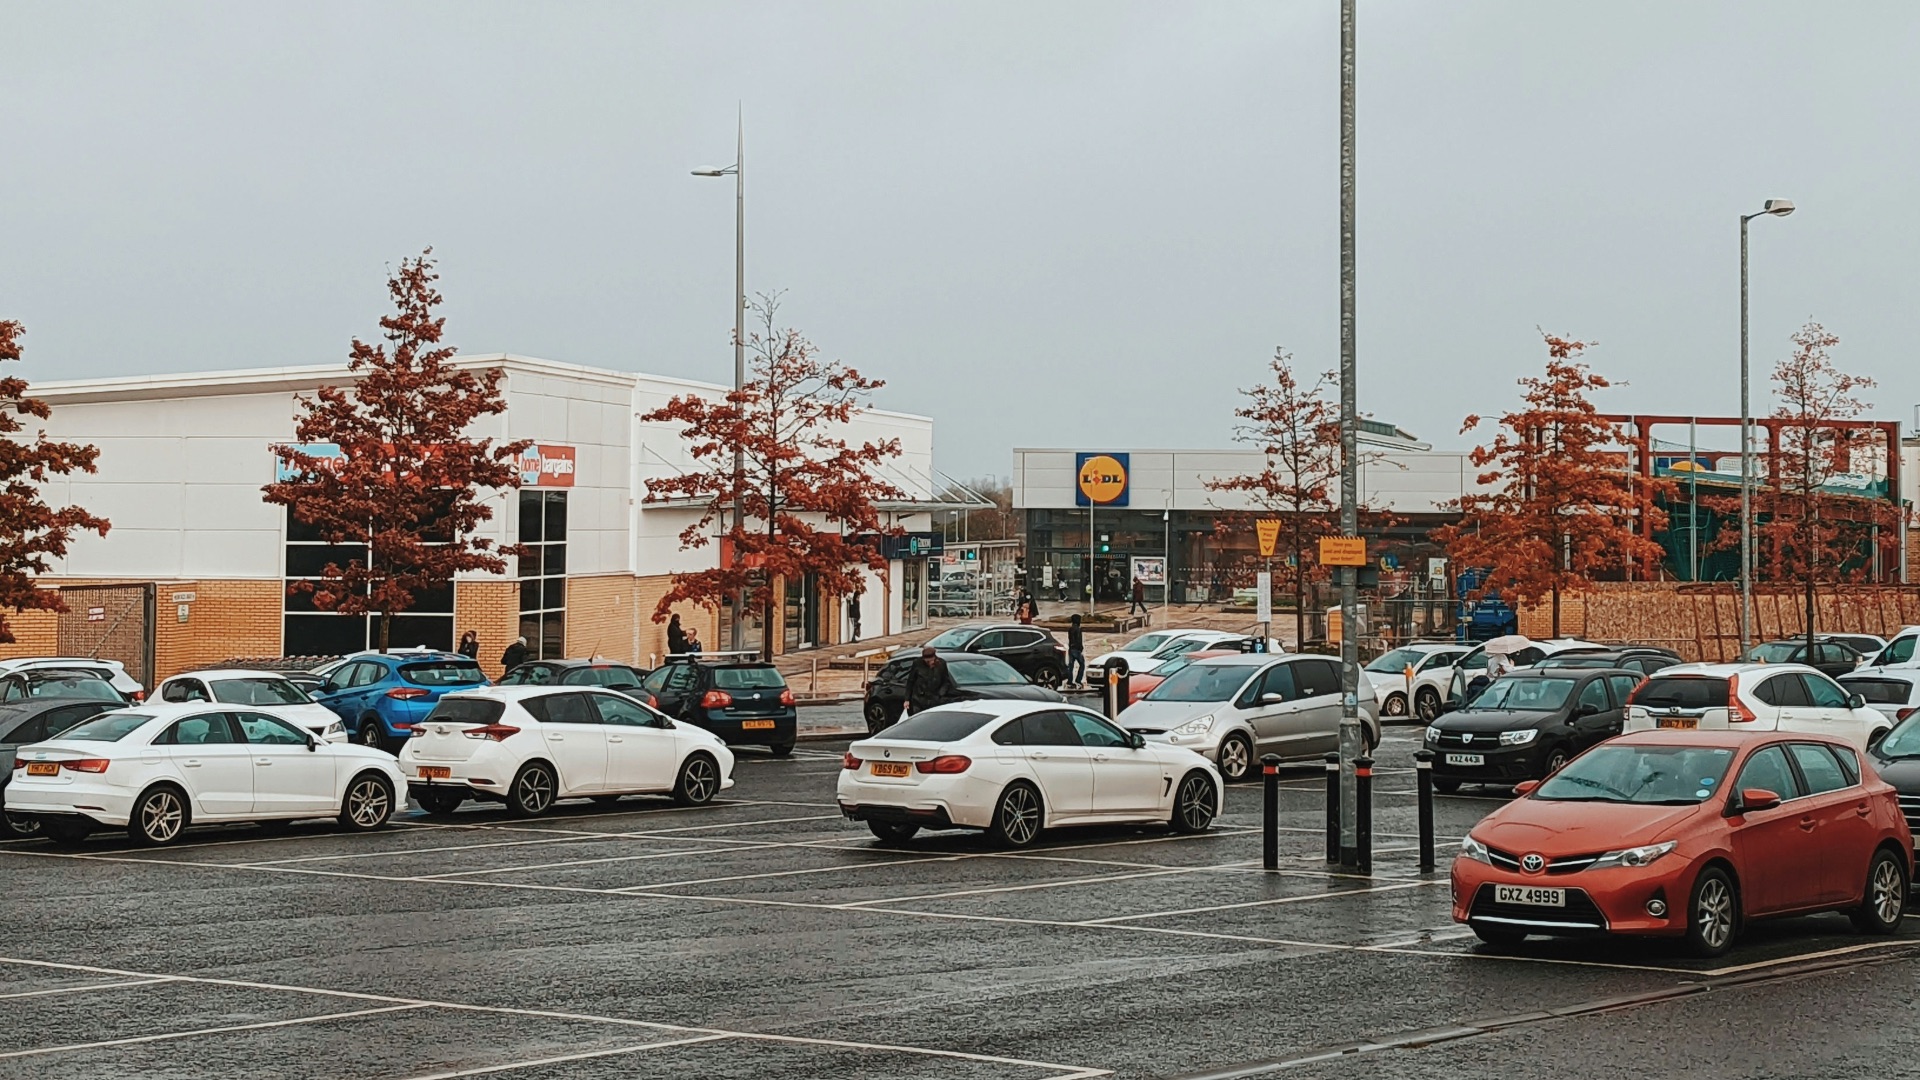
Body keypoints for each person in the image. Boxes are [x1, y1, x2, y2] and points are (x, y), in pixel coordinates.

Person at [906, 646, 960, 715]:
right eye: (927, 661)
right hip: (919, 698)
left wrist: (941, 693)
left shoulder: (941, 663)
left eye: (931, 660)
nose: (930, 662)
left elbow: (946, 680)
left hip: (935, 697)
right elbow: (911, 680)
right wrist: (907, 699)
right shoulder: (917, 663)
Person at [1066, 613, 1085, 689]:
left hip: (1071, 649)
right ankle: (1078, 680)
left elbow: (1070, 639)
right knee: (1082, 664)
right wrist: (1080, 648)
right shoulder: (1078, 629)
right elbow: (1079, 640)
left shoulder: (1070, 629)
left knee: (1071, 666)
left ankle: (1069, 681)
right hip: (1076, 650)